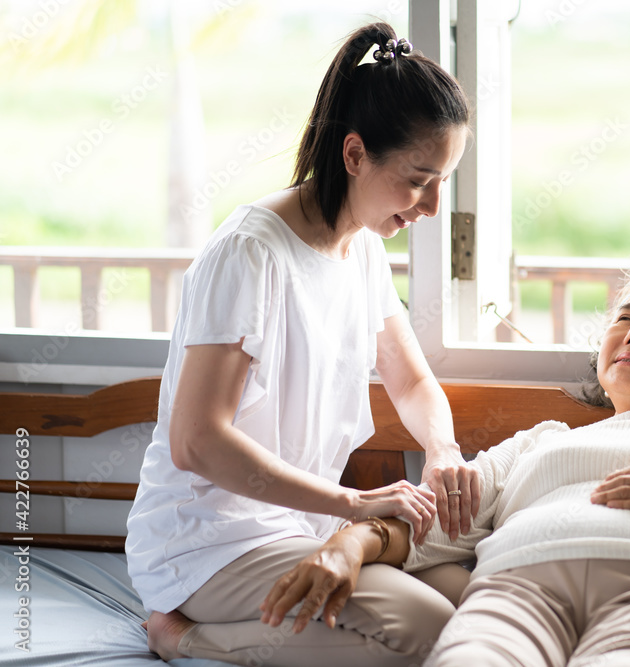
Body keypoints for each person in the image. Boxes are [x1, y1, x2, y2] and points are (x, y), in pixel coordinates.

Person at [256, 229, 630, 666]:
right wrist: (349, 543)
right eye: (625, 317)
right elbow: (435, 522)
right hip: (516, 595)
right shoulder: (542, 442)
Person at [128, 22, 479, 667]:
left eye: (442, 182)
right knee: (430, 633)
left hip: (296, 527)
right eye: (417, 180)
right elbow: (196, 440)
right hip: (210, 541)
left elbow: (409, 380)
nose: (430, 206)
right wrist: (354, 504)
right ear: (353, 155)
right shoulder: (251, 255)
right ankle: (180, 637)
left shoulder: (362, 250)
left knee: (469, 597)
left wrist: (443, 450)